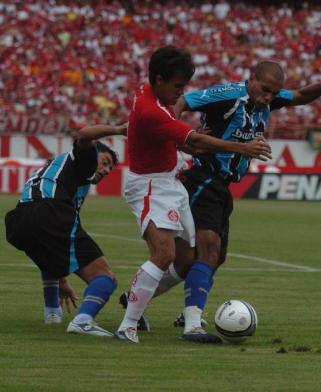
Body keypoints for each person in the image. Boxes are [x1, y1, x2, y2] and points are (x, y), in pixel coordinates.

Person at [158, 61, 321, 331]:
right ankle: (192, 324)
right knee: (207, 251)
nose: (269, 97)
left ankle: (138, 301)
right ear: (252, 78)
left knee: (212, 257)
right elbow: (183, 102)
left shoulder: (270, 98)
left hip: (223, 186)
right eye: (265, 90)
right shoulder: (229, 95)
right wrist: (180, 137)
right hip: (202, 177)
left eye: (273, 93)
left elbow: (301, 96)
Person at [115, 46, 272, 344]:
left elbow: (188, 142)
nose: (181, 93)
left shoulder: (150, 94)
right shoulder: (151, 110)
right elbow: (195, 139)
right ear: (159, 79)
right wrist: (243, 148)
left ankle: (138, 301)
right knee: (165, 254)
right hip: (151, 185)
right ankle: (130, 325)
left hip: (172, 182)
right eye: (177, 86)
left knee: (187, 258)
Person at [5, 123, 126, 337]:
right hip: (50, 211)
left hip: (18, 221)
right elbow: (84, 136)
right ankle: (83, 320)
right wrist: (118, 129)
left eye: (110, 169)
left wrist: (62, 278)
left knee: (49, 255)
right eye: (106, 163)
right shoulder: (84, 160)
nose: (106, 171)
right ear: (94, 153)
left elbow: (54, 239)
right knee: (105, 277)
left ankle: (52, 313)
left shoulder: (58, 168)